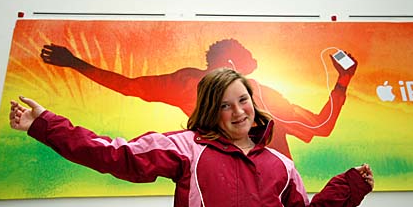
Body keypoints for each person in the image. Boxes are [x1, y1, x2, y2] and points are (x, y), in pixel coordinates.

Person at [9, 68, 374, 207]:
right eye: (224, 105)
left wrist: (349, 189)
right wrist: (45, 125)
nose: (237, 112)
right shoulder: (186, 149)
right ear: (209, 112)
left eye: (242, 100)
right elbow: (116, 154)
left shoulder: (281, 165)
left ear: (253, 100)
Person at [40, 39, 357, 158]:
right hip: (218, 184)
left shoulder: (265, 94)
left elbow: (319, 126)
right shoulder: (191, 82)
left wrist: (343, 80)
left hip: (272, 192)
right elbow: (130, 86)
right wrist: (75, 63)